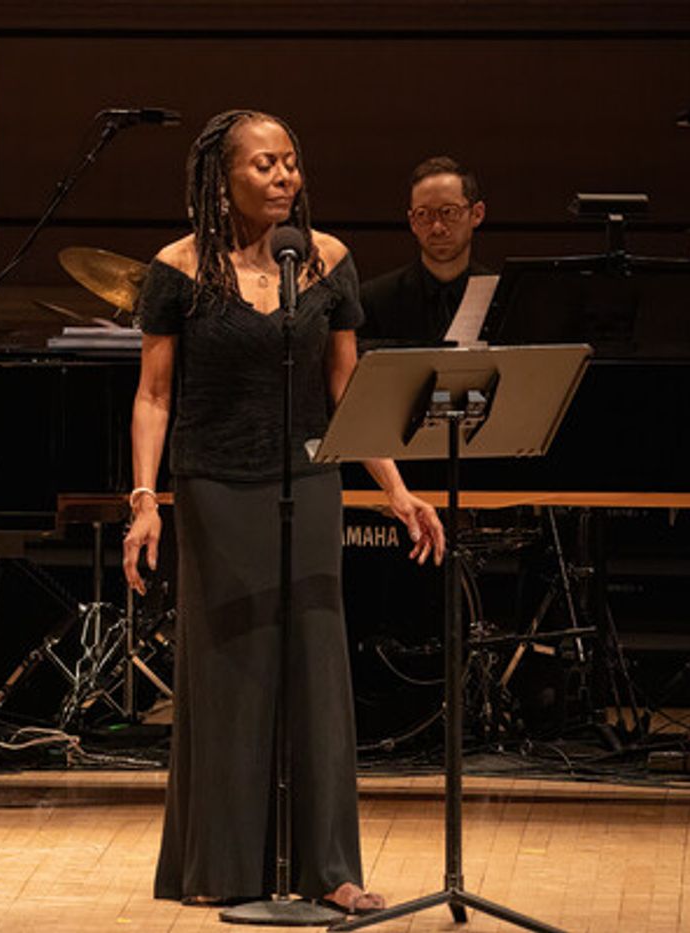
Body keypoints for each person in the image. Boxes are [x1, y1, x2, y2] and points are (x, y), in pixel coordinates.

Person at [122, 110, 445, 913]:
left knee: (317, 668)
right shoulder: (177, 269)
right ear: (221, 177)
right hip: (215, 485)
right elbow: (154, 395)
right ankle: (223, 865)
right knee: (230, 672)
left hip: (310, 479)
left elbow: (345, 387)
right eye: (264, 164)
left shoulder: (326, 260)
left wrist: (396, 488)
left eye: (291, 163)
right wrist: (145, 500)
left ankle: (329, 868)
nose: (284, 177)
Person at [360, 155, 489, 344]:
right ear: (412, 222)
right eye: (424, 214)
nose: (437, 228)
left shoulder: (500, 298)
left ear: (477, 214)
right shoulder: (374, 301)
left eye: (449, 212)